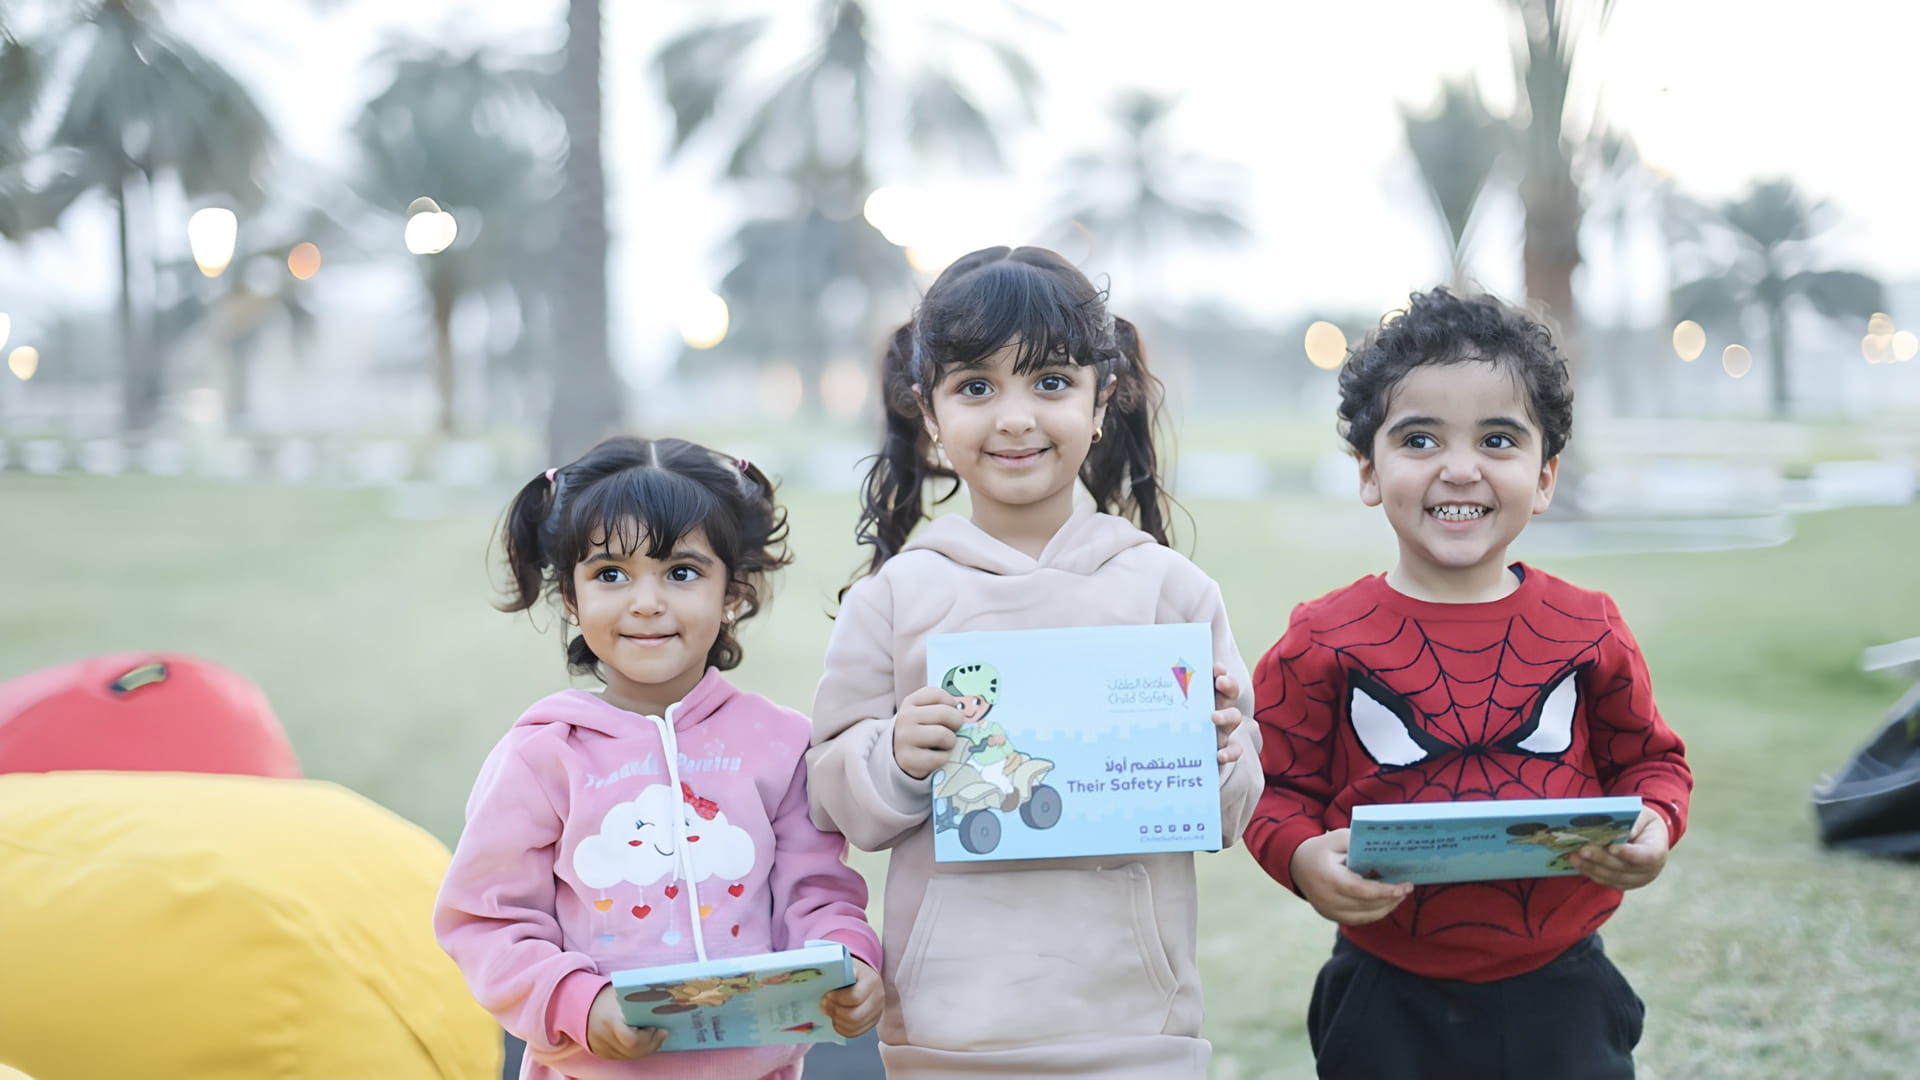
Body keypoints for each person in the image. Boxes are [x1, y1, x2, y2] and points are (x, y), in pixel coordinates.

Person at [806, 245, 1262, 1078]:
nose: (1015, 418)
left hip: (1138, 1030)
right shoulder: (896, 599)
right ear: (928, 410)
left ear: (1101, 400)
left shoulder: (1170, 591)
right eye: (976, 387)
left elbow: (1232, 809)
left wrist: (1221, 756)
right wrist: (896, 757)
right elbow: (833, 795)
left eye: (1050, 382)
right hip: (948, 1036)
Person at [1244, 289, 1694, 1079]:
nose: (1460, 469)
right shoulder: (1321, 639)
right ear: (1368, 471)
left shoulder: (1588, 627)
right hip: (1384, 991)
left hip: (1564, 988)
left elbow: (1652, 762)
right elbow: (1268, 786)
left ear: (1545, 477)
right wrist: (1302, 857)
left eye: (1497, 439)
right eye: (1419, 439)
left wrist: (1656, 825)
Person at [435, 436, 883, 1080]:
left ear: (734, 590)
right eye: (610, 574)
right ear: (571, 597)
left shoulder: (782, 746)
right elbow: (487, 922)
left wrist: (849, 958)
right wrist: (580, 1004)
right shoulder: (543, 756)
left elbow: (816, 893)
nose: (645, 602)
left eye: (681, 572)